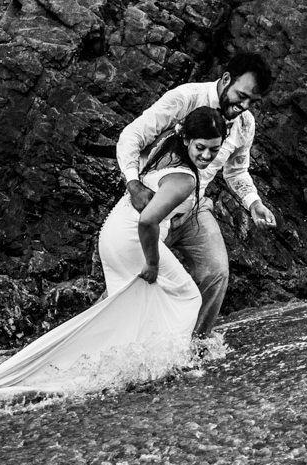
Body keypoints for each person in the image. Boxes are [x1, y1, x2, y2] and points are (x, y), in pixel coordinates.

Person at [0, 106, 227, 389]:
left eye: (213, 151)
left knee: (130, 308)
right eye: (201, 147)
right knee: (188, 297)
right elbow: (147, 221)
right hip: (132, 238)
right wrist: (153, 263)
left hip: (114, 232)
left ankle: (118, 367)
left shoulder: (167, 151)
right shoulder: (185, 178)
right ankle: (169, 364)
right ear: (186, 139)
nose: (206, 156)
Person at [116, 51, 276, 338]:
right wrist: (133, 184)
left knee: (215, 273)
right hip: (155, 203)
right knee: (134, 279)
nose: (245, 106)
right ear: (226, 79)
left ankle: (189, 347)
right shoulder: (186, 98)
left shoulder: (245, 123)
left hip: (195, 206)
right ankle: (109, 340)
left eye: (254, 101)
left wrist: (254, 203)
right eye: (242, 95)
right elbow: (131, 136)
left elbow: (236, 171)